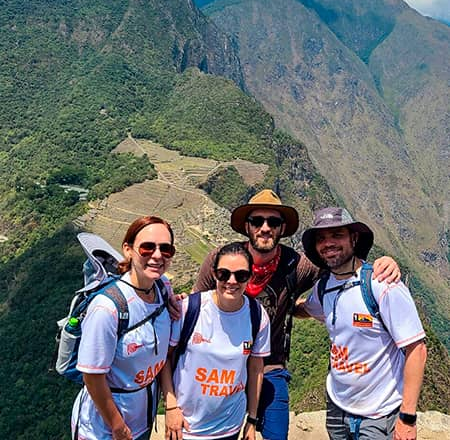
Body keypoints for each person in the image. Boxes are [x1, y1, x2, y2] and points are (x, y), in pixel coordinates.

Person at [190, 189, 400, 440]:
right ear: (247, 226)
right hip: (220, 372)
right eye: (257, 221)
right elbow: (196, 307)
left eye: (273, 222)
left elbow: (342, 267)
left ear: (282, 228)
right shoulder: (222, 261)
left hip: (269, 370)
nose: (265, 228)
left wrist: (380, 264)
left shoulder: (296, 266)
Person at [296, 206, 427, 440]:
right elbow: (307, 308)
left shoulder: (381, 284)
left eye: (337, 235)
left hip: (379, 414)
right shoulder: (323, 287)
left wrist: (407, 417)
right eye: (321, 238)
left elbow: (416, 349)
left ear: (354, 238)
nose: (328, 243)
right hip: (337, 406)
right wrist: (278, 309)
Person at [71, 215, 176, 440]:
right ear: (128, 250)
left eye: (165, 249)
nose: (157, 255)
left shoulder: (163, 288)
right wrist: (117, 425)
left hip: (142, 418)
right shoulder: (107, 309)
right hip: (104, 428)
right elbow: (92, 377)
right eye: (147, 247)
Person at [161, 242, 271, 440]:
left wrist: (252, 421)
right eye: (224, 274)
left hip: (230, 427)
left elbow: (256, 369)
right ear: (213, 274)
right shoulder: (189, 309)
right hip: (186, 426)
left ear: (249, 277)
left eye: (241, 275)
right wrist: (170, 406)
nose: (231, 281)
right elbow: (164, 359)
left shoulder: (257, 315)